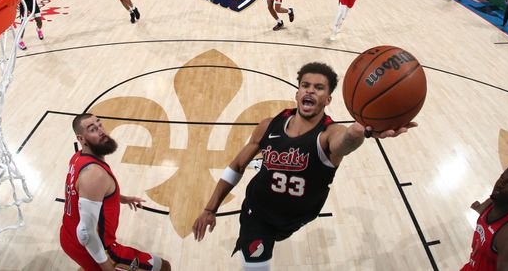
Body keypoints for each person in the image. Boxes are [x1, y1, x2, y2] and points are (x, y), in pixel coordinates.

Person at [192, 62, 416, 270]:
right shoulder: (269, 125)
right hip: (258, 214)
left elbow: (346, 141)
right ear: (297, 92)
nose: (310, 91)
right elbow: (238, 165)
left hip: (297, 217)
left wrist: (361, 130)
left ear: (328, 99)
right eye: (305, 85)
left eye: (319, 88)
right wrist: (210, 209)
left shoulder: (329, 135)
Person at [60, 114, 171, 271]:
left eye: (100, 125)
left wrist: (120, 198)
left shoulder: (78, 157)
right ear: (82, 139)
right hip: (96, 247)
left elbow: (85, 193)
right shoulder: (95, 174)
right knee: (163, 267)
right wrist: (107, 267)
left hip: (68, 236)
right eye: (92, 129)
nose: (101, 131)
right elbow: (85, 232)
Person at [461, 164, 508, 271]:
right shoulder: (493, 201)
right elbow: (482, 213)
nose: (500, 184)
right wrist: (478, 207)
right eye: (502, 178)